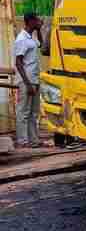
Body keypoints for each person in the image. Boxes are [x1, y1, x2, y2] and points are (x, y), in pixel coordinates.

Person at [14, 12, 47, 148]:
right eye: (37, 20)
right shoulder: (21, 39)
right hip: (26, 80)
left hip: (34, 79)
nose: (39, 21)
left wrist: (39, 30)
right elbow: (18, 63)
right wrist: (27, 84)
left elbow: (42, 45)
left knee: (34, 112)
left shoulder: (31, 38)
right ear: (30, 21)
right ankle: (23, 141)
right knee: (24, 112)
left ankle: (33, 139)